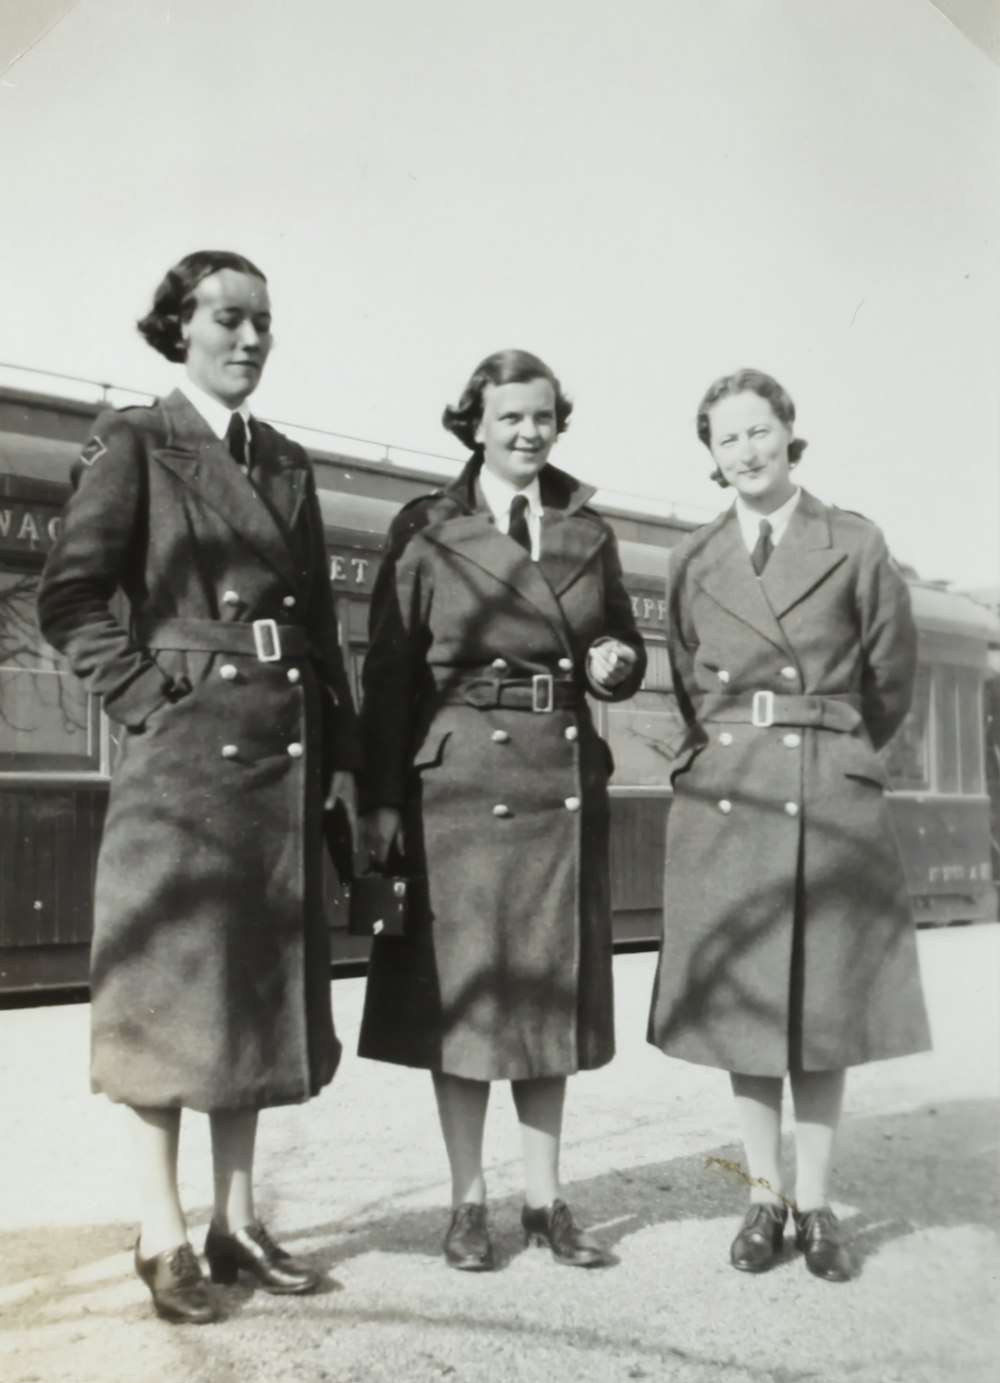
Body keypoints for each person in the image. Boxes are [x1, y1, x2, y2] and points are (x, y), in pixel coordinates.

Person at [38, 251, 361, 1323]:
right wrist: (146, 701)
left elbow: (316, 625)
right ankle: (159, 1230)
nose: (252, 338)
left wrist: (341, 757)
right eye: (229, 318)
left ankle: (235, 1219)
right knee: (170, 994)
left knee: (256, 987)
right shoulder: (137, 440)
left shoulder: (286, 460)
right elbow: (73, 596)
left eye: (265, 321)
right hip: (184, 760)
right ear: (179, 327)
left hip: (278, 747)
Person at [358, 349, 646, 1271]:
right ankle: (466, 1202)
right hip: (458, 784)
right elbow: (390, 669)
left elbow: (621, 643)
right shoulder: (428, 526)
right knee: (465, 996)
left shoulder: (587, 531)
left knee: (546, 991)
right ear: (473, 422)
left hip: (558, 778)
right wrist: (381, 799)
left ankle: (546, 1201)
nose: (529, 432)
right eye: (510, 416)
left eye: (544, 417)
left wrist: (615, 663)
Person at [647, 368, 931, 1282]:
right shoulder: (694, 558)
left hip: (826, 791)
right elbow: (694, 686)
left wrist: (830, 749)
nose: (747, 451)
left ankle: (816, 1203)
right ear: (711, 455)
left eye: (760, 431)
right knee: (748, 1008)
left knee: (821, 1007)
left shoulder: (853, 541)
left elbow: (890, 683)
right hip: (731, 797)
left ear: (788, 433)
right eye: (727, 439)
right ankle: (761, 1194)